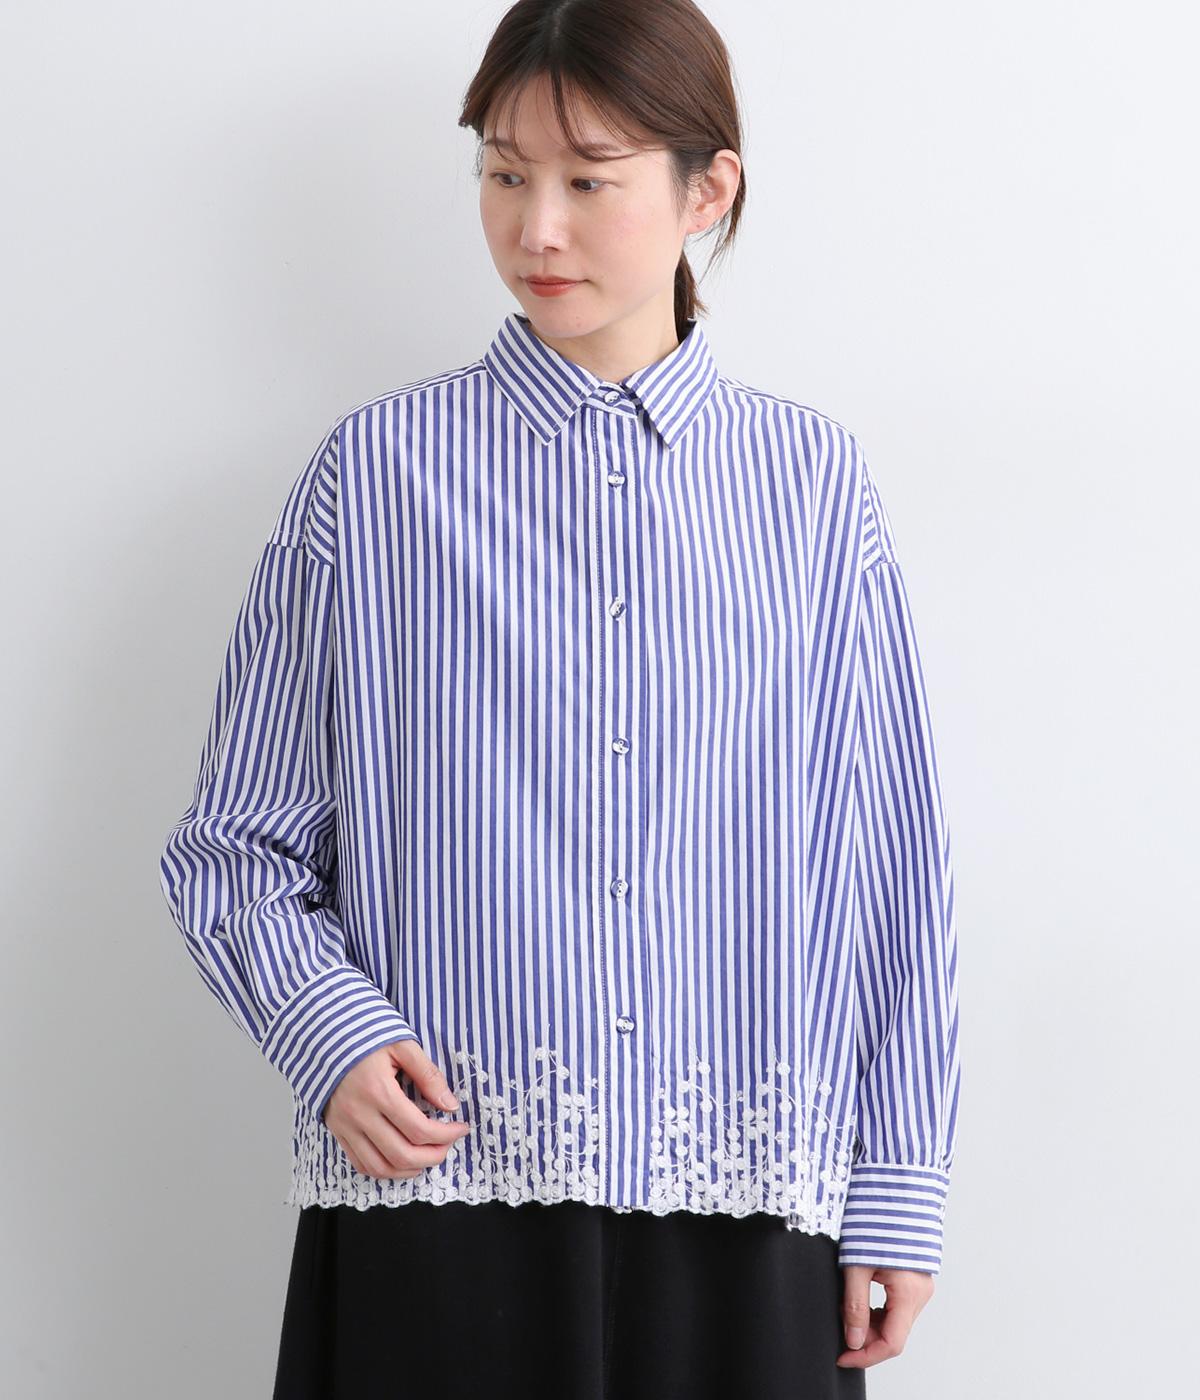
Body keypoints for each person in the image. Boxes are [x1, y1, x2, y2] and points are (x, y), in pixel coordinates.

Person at [159, 2, 961, 1395]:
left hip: (747, 1207)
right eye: (504, 172)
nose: (536, 229)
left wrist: (899, 1179)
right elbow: (232, 848)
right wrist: (328, 1037)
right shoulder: (376, 481)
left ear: (706, 192)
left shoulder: (813, 493)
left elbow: (889, 865)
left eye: (589, 180)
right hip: (442, 1201)